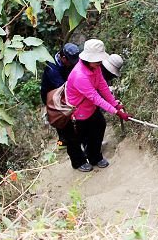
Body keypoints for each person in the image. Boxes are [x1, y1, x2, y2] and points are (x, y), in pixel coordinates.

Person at [65, 39, 132, 172]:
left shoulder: (95, 68)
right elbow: (95, 97)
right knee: (77, 138)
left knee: (99, 127)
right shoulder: (80, 75)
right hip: (78, 112)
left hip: (90, 108)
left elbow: (102, 86)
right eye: (97, 60)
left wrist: (115, 104)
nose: (100, 63)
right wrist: (116, 112)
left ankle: (95, 157)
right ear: (88, 59)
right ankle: (78, 162)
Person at [40, 43, 80, 148]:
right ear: (63, 58)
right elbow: (64, 88)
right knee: (60, 118)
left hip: (64, 88)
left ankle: (68, 137)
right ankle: (61, 142)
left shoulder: (69, 61)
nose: (73, 64)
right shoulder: (52, 69)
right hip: (52, 95)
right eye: (71, 62)